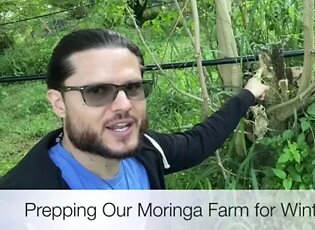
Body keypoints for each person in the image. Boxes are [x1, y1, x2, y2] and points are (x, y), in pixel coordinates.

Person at [0, 29, 269, 189]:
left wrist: (248, 95)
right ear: (59, 103)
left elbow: (199, 143)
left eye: (132, 88)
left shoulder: (147, 151)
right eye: (96, 91)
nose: (124, 105)